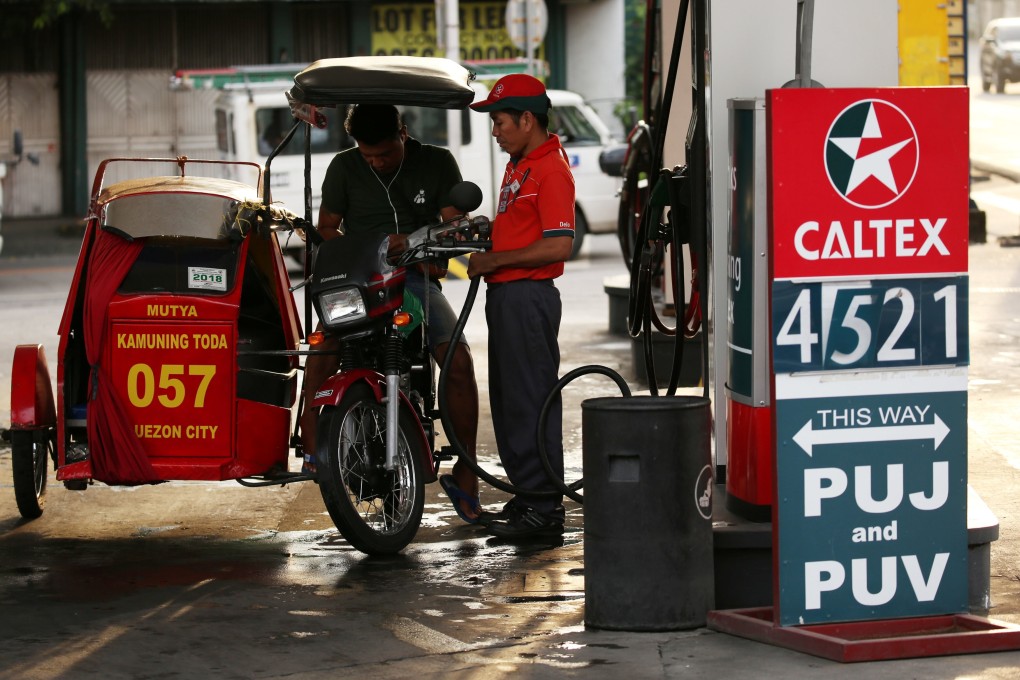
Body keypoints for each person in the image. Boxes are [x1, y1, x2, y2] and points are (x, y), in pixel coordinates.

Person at [299, 104, 482, 523]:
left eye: (385, 153)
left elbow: (455, 223)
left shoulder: (436, 162)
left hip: (413, 279)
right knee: (321, 349)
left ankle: (468, 473)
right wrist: (365, 249)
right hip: (360, 282)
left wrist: (426, 247)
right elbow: (327, 227)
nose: (377, 162)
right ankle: (313, 449)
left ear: (403, 132)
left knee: (457, 361)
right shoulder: (344, 167)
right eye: (368, 156)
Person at [466, 74, 575, 540]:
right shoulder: (520, 163)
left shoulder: (551, 170)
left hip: (528, 297)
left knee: (531, 399)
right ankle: (529, 493)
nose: (495, 131)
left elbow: (559, 246)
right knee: (511, 401)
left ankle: (545, 511)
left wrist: (494, 258)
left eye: (500, 121)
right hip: (507, 294)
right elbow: (522, 226)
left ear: (527, 119)